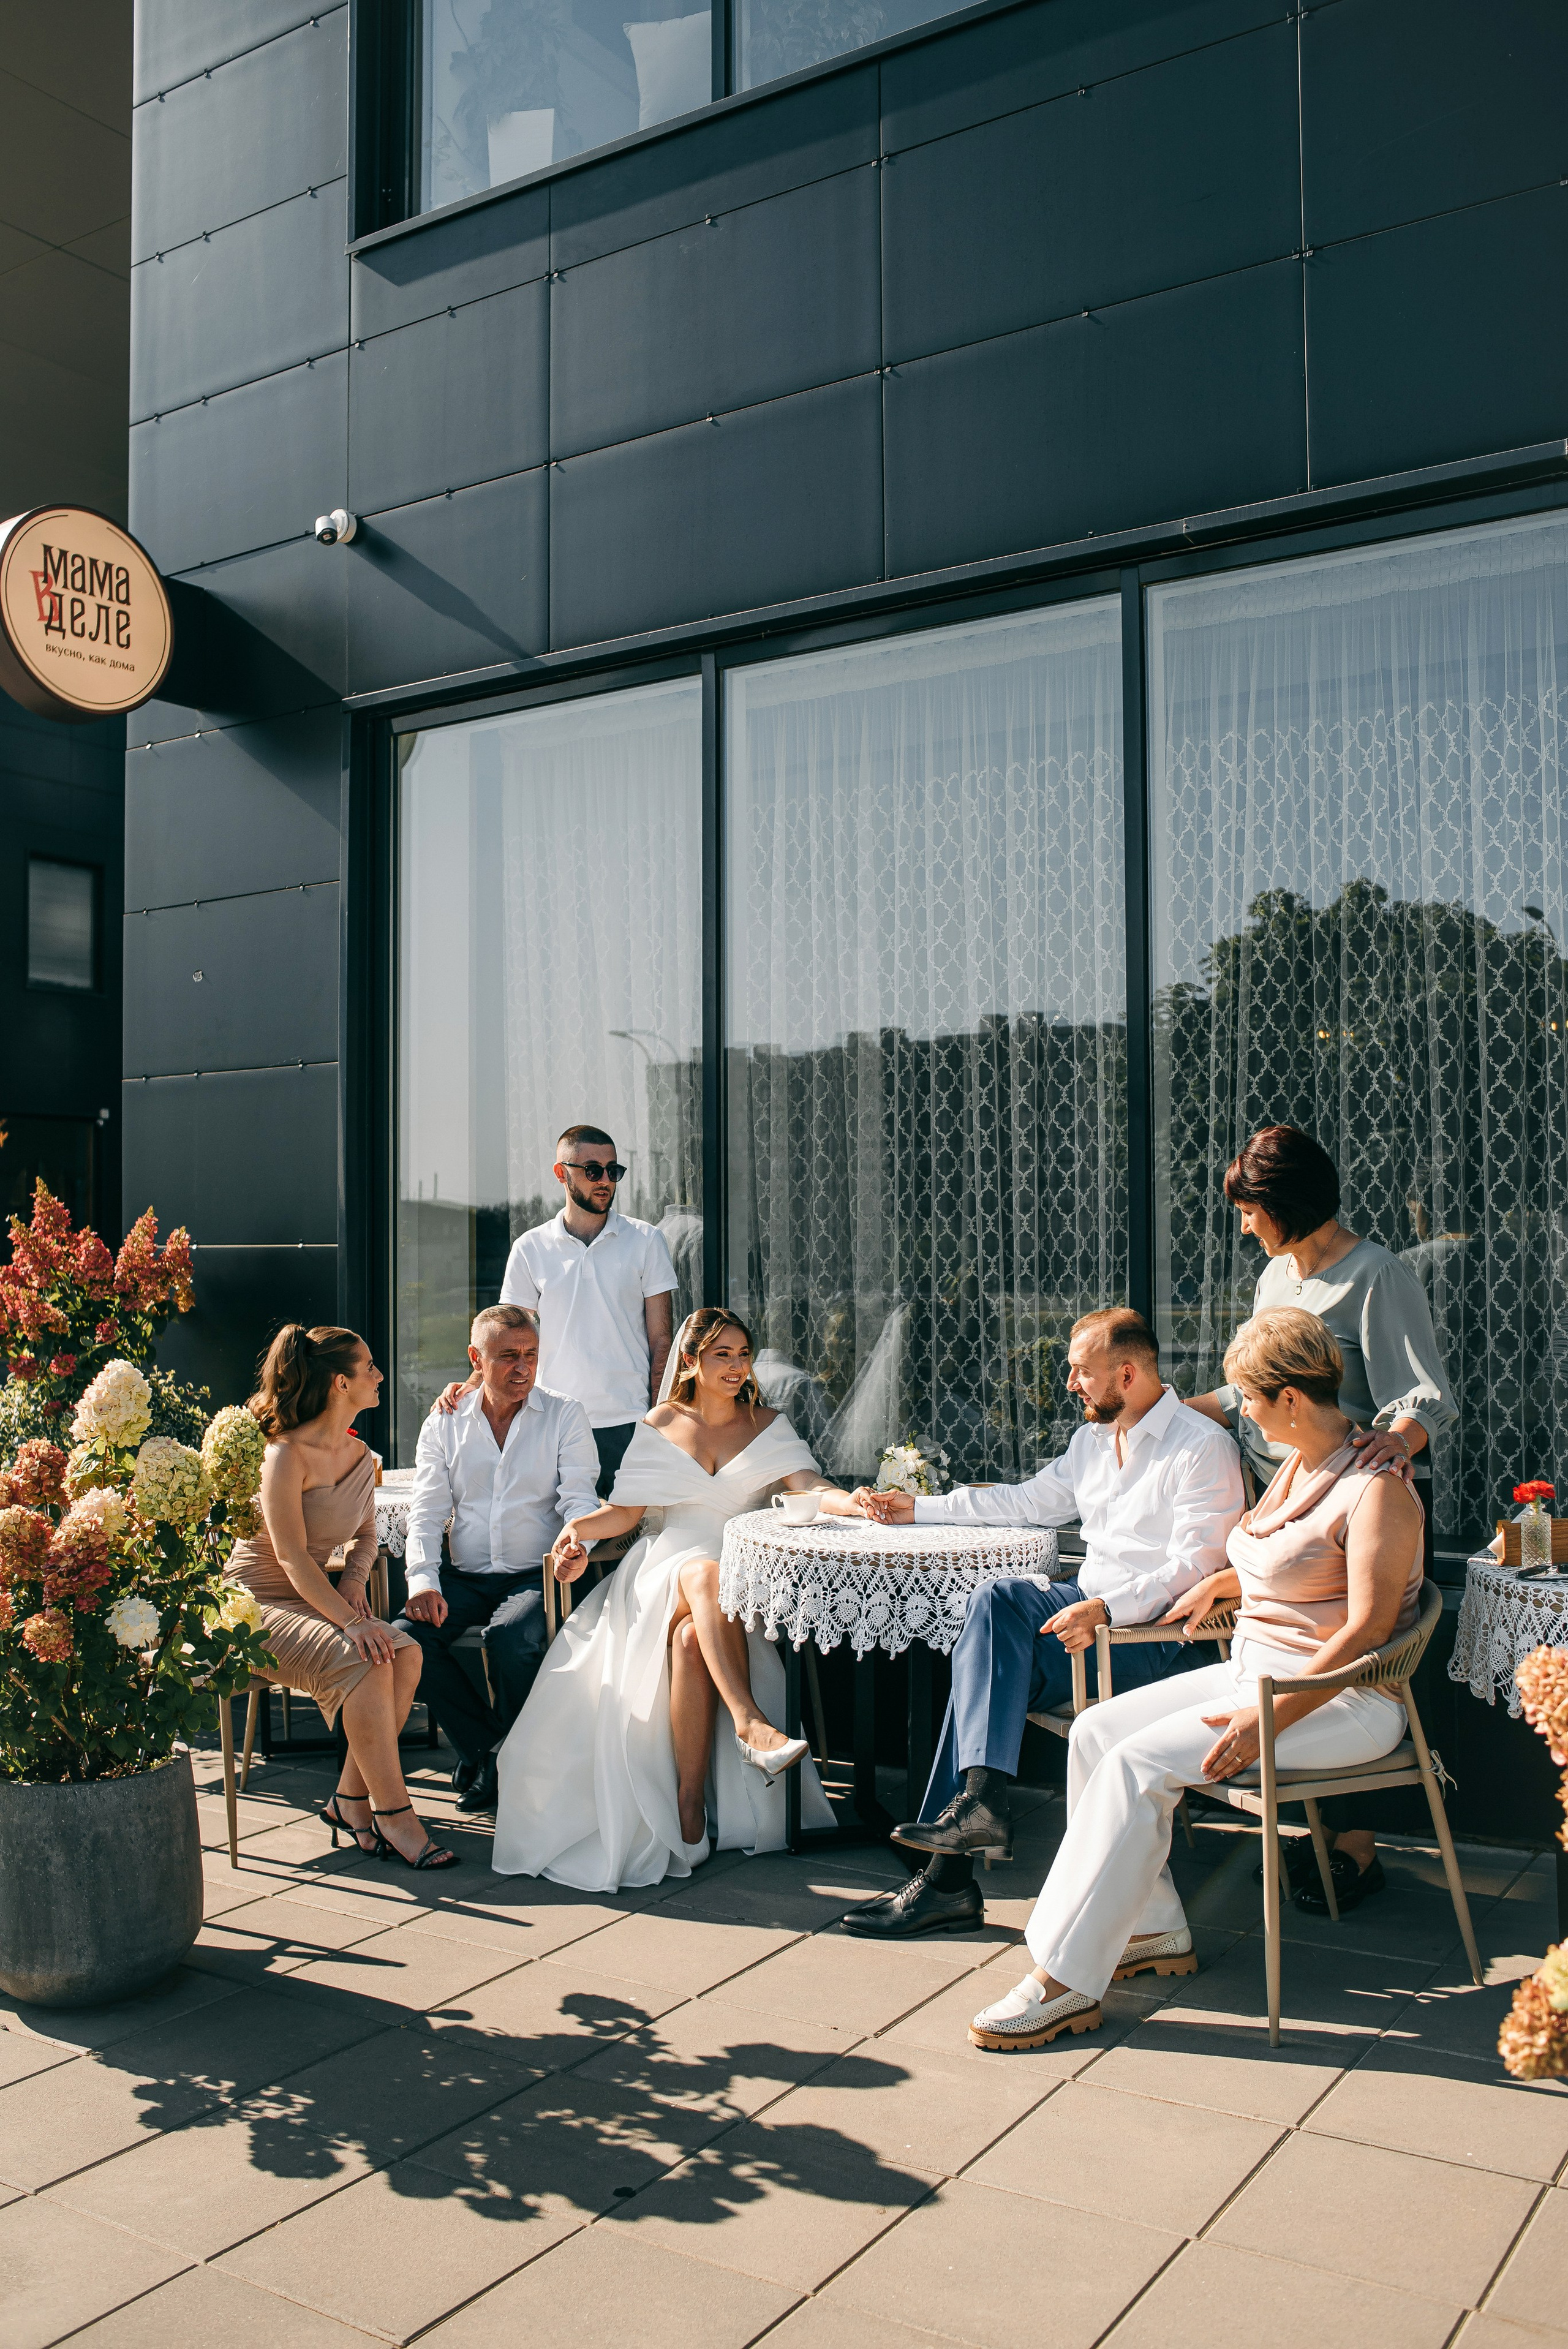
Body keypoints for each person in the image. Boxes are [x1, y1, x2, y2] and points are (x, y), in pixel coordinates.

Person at [968, 1307, 1424, 2051]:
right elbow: (1301, 1567)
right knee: (1095, 1730)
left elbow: (1367, 1628)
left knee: (1138, 1763)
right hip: (1252, 1669)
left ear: (1288, 1398)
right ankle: (1153, 1929)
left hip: (1340, 1698)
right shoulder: (1294, 1470)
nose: (1237, 1408)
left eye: (1248, 1395)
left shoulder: (1375, 1488)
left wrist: (1269, 1717)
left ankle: (1063, 1977)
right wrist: (1228, 1585)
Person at [839, 1308, 1244, 1939]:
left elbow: (1194, 1570)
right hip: (1089, 1616)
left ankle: (947, 1880)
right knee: (996, 1600)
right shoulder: (1090, 1444)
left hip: (1155, 1643)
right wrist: (916, 1507)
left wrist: (1107, 1611)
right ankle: (976, 1806)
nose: (1069, 1383)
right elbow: (1023, 1501)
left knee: (986, 1675)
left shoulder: (1201, 1447)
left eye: (1081, 1371)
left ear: (1129, 1373)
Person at [491, 1306, 859, 1890]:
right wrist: (577, 1533)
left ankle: (690, 1808)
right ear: (691, 1360)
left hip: (743, 1582)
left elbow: (810, 1486)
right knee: (702, 1571)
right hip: (661, 1570)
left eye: (743, 1354)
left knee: (692, 1638)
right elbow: (626, 1513)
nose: (738, 1367)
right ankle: (750, 1723)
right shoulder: (660, 1421)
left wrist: (860, 1501)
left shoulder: (767, 1422)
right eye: (723, 1355)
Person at [1185, 1123, 1456, 1912]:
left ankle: (1355, 1854)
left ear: (1284, 1202)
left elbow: (1427, 1395)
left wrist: (1388, 1448)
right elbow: (1253, 1388)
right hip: (1283, 1501)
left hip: (1361, 1504)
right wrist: (1171, 1411)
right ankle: (1313, 1840)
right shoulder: (1276, 1277)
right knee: (1294, 1652)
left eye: (1249, 1209)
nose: (1243, 1225)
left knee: (1352, 1662)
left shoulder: (1377, 1275)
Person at [225, 1325, 456, 1872]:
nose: (380, 1374)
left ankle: (350, 1799)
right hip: (252, 1604)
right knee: (366, 1652)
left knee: (406, 1652)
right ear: (339, 1383)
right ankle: (395, 1813)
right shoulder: (284, 1454)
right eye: (370, 1366)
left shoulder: (357, 1452)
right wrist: (350, 1623)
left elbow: (368, 1534)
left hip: (316, 1597)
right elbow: (289, 1557)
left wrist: (354, 1581)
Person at [392, 1305, 600, 1815]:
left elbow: (581, 1500)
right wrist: (423, 1579)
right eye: (508, 1356)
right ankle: (492, 1752)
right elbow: (426, 1512)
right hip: (464, 1577)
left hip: (536, 1575)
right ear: (475, 1358)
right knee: (405, 1640)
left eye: (531, 1355)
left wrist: (578, 1545)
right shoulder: (444, 1423)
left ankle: (504, 1759)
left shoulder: (565, 1415)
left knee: (510, 1637)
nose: (523, 1368)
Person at [437, 1125, 678, 1499]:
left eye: (613, 1171)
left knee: (628, 1538)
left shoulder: (646, 1240)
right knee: (557, 1538)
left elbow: (662, 1339)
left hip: (628, 1421)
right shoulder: (530, 1247)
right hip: (551, 1419)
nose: (605, 1181)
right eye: (593, 1170)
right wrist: (472, 1384)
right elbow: (508, 1337)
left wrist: (660, 1415)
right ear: (561, 1173)